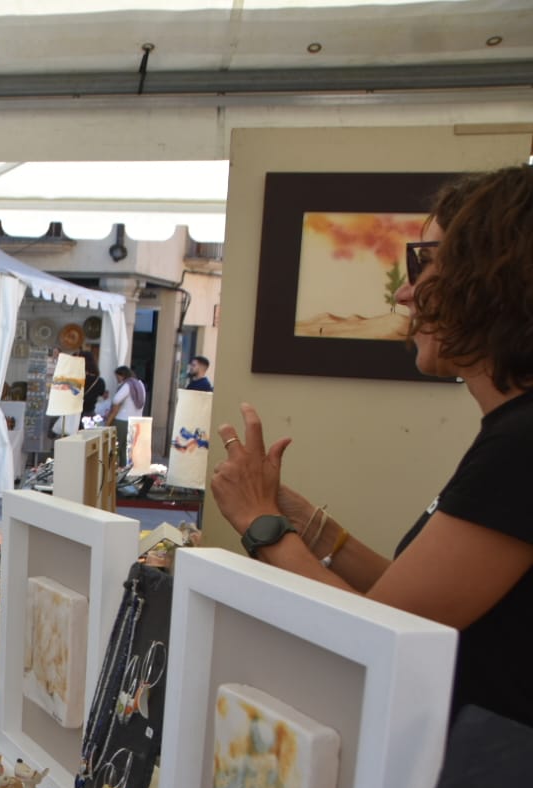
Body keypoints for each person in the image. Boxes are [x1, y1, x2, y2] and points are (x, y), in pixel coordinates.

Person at [211, 165, 533, 723]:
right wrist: (302, 520)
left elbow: (372, 634)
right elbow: (407, 602)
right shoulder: (511, 434)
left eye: (424, 262)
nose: (406, 292)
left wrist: (261, 526)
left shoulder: (521, 448)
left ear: (492, 276)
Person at [110, 365, 147, 459]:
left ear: (122, 375)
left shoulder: (127, 385)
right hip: (137, 421)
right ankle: (127, 470)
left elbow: (116, 400)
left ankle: (118, 470)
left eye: (117, 377)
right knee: (130, 451)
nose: (117, 380)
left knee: (118, 448)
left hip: (122, 421)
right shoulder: (140, 385)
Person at [80, 350, 108, 428]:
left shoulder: (76, 379)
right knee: (89, 437)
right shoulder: (99, 381)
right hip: (90, 414)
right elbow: (102, 394)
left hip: (73, 415)